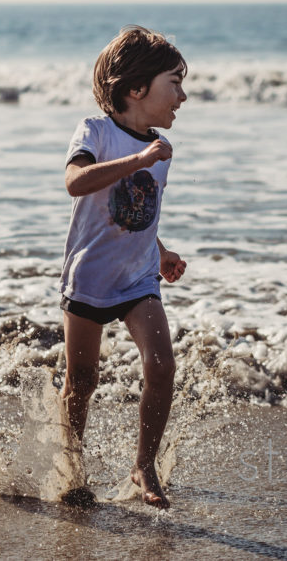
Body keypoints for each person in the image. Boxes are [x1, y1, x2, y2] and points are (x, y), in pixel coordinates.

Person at [59, 25, 188, 509]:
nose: (182, 96)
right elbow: (75, 182)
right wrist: (137, 158)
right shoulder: (96, 132)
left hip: (137, 279)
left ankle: (143, 464)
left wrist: (161, 253)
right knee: (82, 383)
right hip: (89, 280)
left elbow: (136, 215)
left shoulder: (157, 152)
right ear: (136, 89)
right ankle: (70, 463)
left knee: (161, 365)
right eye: (173, 83)